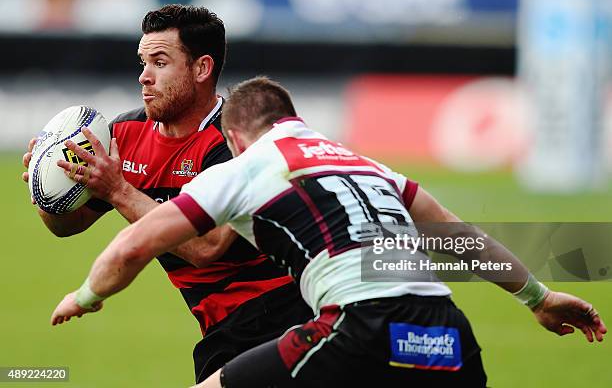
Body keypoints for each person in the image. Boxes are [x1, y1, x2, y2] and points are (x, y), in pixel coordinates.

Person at [49, 77, 607, 388]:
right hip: (446, 332)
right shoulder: (366, 164)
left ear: (237, 136)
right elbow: (458, 239)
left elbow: (136, 244)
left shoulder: (246, 166)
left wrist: (85, 295)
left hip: (359, 325)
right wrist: (539, 295)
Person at [22, 6, 311, 383]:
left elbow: (204, 248)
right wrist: (48, 190)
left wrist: (119, 191)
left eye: (160, 62)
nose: (144, 77)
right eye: (143, 62)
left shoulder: (233, 141)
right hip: (223, 327)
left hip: (285, 313)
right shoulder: (124, 134)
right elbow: (67, 226)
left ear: (201, 69)